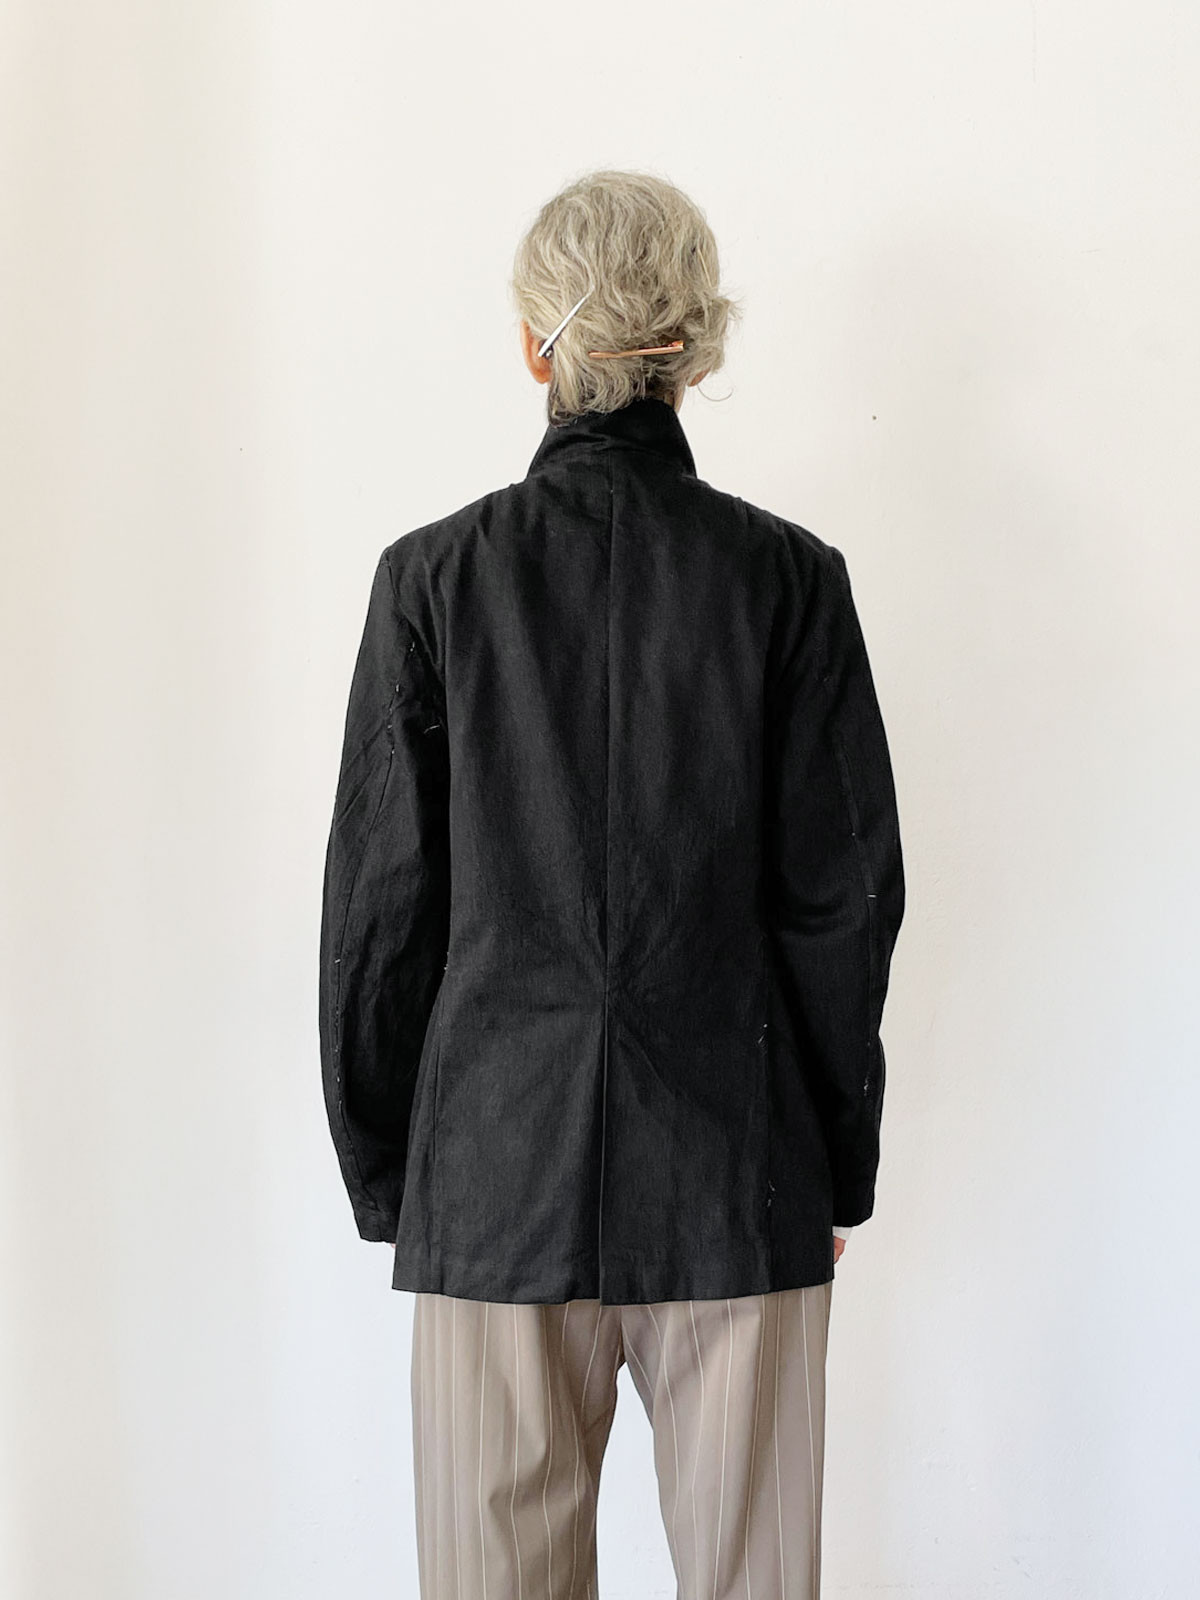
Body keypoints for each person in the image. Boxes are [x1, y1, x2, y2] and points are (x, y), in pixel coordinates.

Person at [318, 168, 905, 1599]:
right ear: (695, 346)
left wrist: (399, 1172)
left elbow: (380, 915)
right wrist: (835, 1160)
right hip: (738, 1168)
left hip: (494, 1173)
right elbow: (842, 905)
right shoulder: (791, 581)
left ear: (537, 346)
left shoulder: (432, 580)